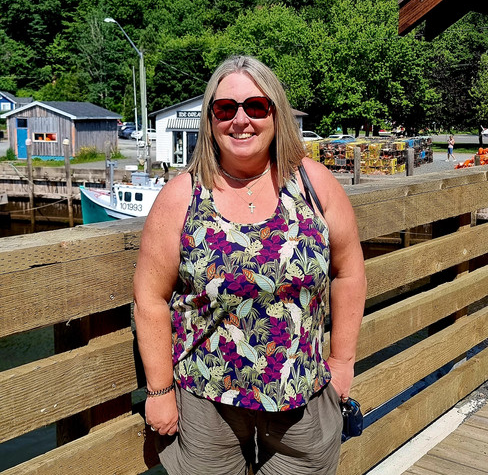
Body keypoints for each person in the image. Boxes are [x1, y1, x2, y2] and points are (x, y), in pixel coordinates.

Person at [133, 55, 367, 475]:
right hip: (206, 400)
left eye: (256, 107)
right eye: (226, 109)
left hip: (303, 394)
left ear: (276, 114)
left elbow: (349, 272)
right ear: (210, 120)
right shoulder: (182, 195)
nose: (240, 120)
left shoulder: (313, 183)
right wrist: (160, 390)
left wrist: (343, 362)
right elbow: (149, 297)